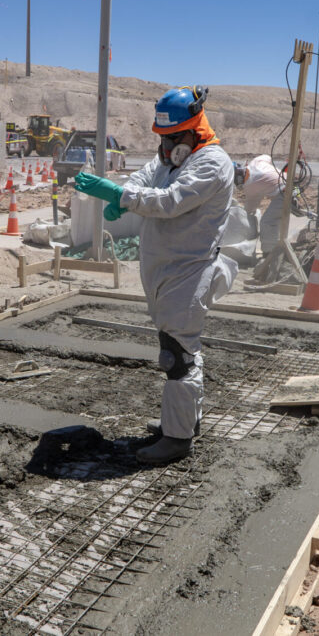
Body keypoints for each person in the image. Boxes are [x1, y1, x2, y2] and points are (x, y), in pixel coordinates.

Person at [73, 86, 237, 465]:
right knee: (178, 346)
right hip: (162, 266)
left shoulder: (211, 162)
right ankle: (181, 419)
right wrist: (122, 194)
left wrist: (120, 197)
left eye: (171, 138)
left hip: (189, 269)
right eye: (161, 138)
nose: (164, 147)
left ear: (194, 129)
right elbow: (144, 179)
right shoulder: (171, 156)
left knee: (177, 354)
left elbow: (169, 202)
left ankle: (176, 440)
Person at [234, 154, 285, 256]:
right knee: (277, 216)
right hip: (293, 185)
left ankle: (269, 254)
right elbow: (268, 157)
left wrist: (240, 218)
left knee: (267, 222)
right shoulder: (256, 162)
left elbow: (250, 208)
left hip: (285, 192)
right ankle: (278, 244)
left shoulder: (250, 186)